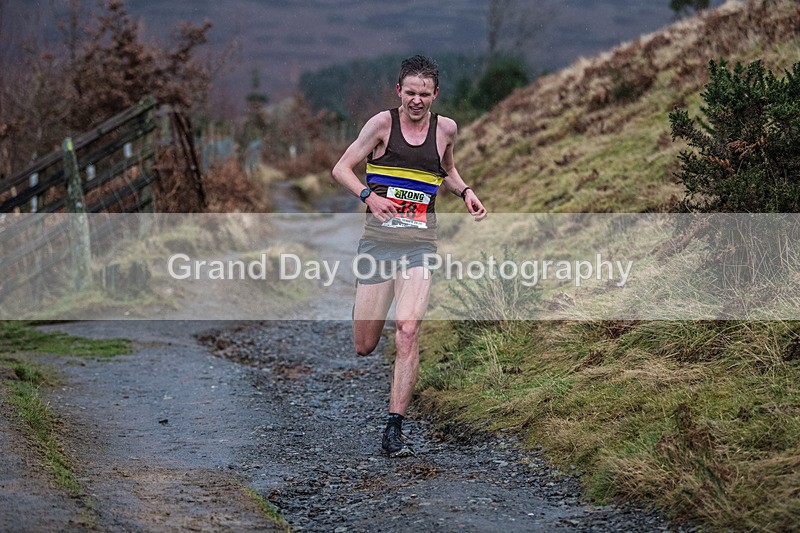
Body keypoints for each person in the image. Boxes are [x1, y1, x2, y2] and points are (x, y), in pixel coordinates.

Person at [332, 55, 487, 457]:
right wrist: (369, 196)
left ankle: (394, 428)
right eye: (410, 93)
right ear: (399, 91)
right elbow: (341, 169)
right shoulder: (381, 125)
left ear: (436, 94)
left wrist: (466, 192)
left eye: (425, 94)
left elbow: (446, 169)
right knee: (364, 345)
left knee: (407, 329)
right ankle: (368, 305)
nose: (417, 100)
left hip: (420, 245)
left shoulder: (446, 130)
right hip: (378, 244)